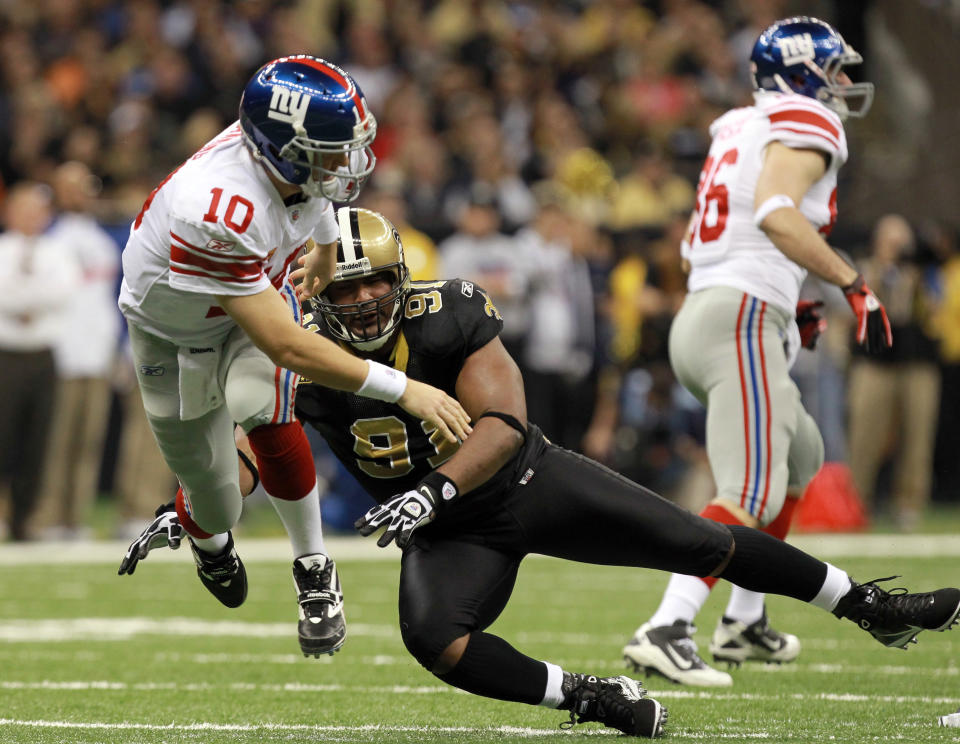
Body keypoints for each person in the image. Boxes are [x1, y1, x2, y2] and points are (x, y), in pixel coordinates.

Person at [123, 208, 960, 739]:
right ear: (323, 300)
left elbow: (504, 422)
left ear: (401, 279)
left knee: (704, 542)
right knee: (433, 640)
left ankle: (871, 606)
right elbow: (254, 444)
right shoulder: (302, 358)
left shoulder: (450, 312)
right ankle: (590, 700)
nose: (368, 301)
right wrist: (193, 509)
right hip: (447, 531)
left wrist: (434, 488)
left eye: (378, 281)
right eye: (349, 289)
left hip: (525, 485)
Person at [116, 56, 471, 658]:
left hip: (252, 296)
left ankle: (313, 564)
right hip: (173, 334)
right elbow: (286, 342)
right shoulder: (216, 209)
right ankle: (206, 536)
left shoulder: (286, 165)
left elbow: (313, 196)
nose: (349, 162)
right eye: (334, 151)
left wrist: (328, 253)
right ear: (283, 150)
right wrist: (405, 388)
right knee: (216, 497)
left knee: (263, 404)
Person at [622, 16, 895, 687]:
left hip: (721, 310)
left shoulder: (739, 125)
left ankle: (745, 618)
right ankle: (668, 625)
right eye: (834, 70)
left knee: (799, 453)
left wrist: (789, 303)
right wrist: (850, 283)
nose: (842, 84)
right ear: (804, 74)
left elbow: (734, 226)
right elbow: (776, 211)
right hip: (737, 320)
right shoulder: (806, 120)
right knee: (749, 488)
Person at [32, 161, 121, 540]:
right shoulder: (45, 236)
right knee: (55, 441)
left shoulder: (103, 237)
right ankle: (46, 517)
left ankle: (74, 518)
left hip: (98, 352)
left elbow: (114, 297)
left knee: (88, 441)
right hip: (60, 352)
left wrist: (119, 346)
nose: (77, 192)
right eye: (69, 186)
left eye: (85, 185)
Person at [0, 182, 83, 541]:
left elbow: (64, 291)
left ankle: (25, 519)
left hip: (42, 355)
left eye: (37, 211)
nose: (31, 217)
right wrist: (31, 299)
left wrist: (22, 298)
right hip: (6, 355)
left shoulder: (57, 252)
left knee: (37, 440)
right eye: (24, 209)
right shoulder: (3, 250)